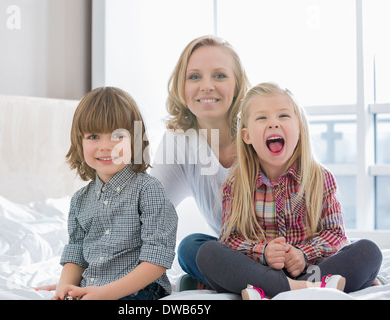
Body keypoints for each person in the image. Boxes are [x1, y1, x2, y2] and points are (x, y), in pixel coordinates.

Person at [195, 82, 383, 299]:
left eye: (283, 116)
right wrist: (263, 252)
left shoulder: (321, 178)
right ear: (246, 136)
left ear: (299, 128)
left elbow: (337, 235)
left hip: (312, 270)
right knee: (207, 253)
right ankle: (303, 289)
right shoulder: (235, 184)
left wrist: (303, 254)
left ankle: (274, 289)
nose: (273, 123)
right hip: (260, 270)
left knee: (369, 252)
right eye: (262, 118)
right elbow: (230, 240)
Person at [53, 87, 178, 300]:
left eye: (117, 135)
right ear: (79, 142)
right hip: (91, 287)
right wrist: (64, 287)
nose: (105, 146)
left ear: (134, 140)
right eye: (93, 136)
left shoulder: (149, 190)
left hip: (138, 290)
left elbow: (157, 259)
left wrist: (105, 294)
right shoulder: (80, 200)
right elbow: (77, 253)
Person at [150, 35, 250, 288]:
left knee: (363, 252)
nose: (207, 86)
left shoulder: (261, 128)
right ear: (181, 87)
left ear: (237, 85)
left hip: (290, 246)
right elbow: (147, 216)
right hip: (237, 255)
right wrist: (90, 272)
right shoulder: (179, 141)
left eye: (219, 75)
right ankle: (260, 283)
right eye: (194, 77)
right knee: (190, 248)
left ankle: (236, 283)